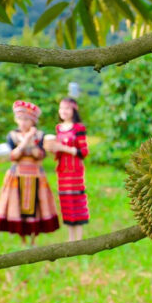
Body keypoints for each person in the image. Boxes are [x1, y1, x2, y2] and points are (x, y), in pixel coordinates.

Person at [0, 100, 59, 245]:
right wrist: (26, 141)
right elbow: (12, 155)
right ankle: (22, 239)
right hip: (17, 175)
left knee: (36, 206)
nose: (23, 123)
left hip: (35, 175)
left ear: (33, 121)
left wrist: (30, 143)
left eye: (26, 119)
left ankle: (33, 239)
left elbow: (40, 155)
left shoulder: (40, 136)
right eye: (20, 119)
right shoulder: (12, 136)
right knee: (16, 206)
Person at [46, 98, 90, 241]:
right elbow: (58, 152)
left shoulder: (79, 128)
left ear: (74, 110)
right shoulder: (58, 128)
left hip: (75, 170)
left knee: (77, 200)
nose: (63, 111)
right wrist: (53, 149)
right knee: (65, 200)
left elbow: (83, 152)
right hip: (62, 170)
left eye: (67, 108)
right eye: (61, 108)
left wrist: (63, 148)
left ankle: (79, 238)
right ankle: (71, 239)